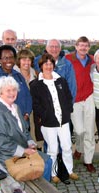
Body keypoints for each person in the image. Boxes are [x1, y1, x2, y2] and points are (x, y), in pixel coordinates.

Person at [30, 53, 78, 183]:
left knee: (67, 146)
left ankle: (69, 170)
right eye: (45, 63)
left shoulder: (60, 80)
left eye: (51, 63)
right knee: (52, 148)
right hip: (48, 122)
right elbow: (35, 104)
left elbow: (68, 97)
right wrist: (45, 115)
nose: (48, 66)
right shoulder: (35, 85)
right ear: (41, 66)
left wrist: (68, 111)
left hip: (63, 121)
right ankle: (53, 173)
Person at [0, 76, 51, 181]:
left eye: (14, 90)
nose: (12, 93)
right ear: (0, 92)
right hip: (7, 156)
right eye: (8, 90)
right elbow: (1, 142)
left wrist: (30, 142)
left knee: (48, 160)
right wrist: (23, 151)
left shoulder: (15, 107)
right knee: (46, 162)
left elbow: (25, 130)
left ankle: (42, 188)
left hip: (22, 150)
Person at [66, 36, 96, 173]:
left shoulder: (92, 60)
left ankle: (88, 160)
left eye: (86, 46)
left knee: (89, 130)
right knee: (79, 130)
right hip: (74, 99)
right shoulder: (68, 59)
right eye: (81, 45)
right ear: (76, 46)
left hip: (89, 97)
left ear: (88, 47)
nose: (83, 48)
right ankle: (79, 147)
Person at [16, 49, 43, 149]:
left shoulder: (36, 74)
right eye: (23, 59)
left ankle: (37, 154)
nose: (26, 62)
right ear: (19, 61)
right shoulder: (14, 75)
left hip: (34, 111)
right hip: (21, 111)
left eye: (29, 60)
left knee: (36, 133)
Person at [0, 45, 32, 121]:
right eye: (5, 58)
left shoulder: (19, 76)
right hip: (3, 124)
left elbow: (28, 96)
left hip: (22, 122)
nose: (9, 60)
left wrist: (27, 114)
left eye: (11, 57)